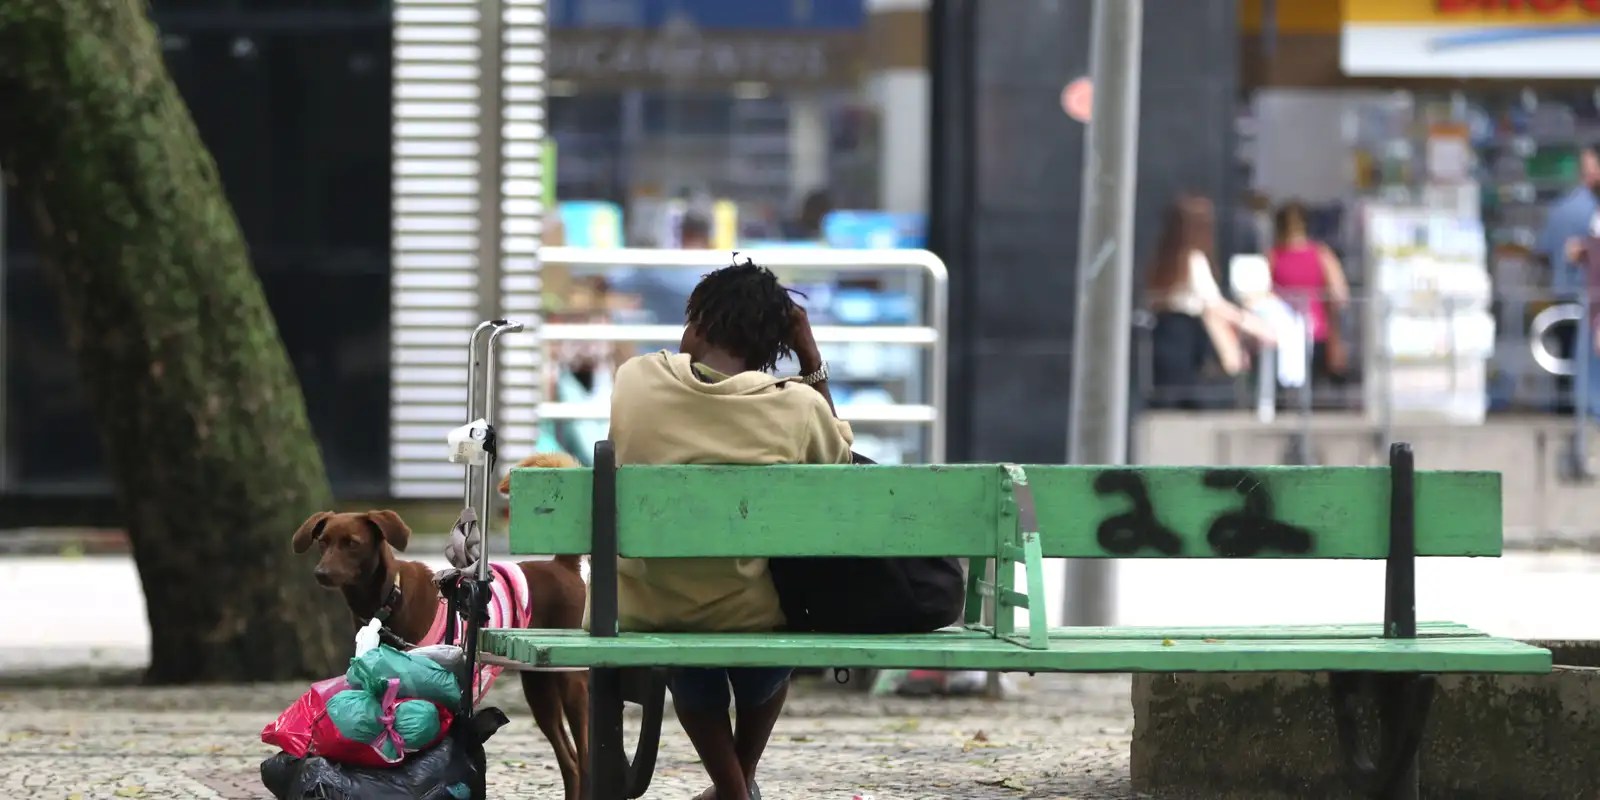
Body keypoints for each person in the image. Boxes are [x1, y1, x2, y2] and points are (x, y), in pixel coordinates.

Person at [605, 258, 852, 800]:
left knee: (688, 619)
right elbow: (842, 477)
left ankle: (731, 790)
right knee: (763, 627)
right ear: (774, 344)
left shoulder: (635, 379)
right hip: (746, 609)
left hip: (646, 603)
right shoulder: (798, 408)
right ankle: (736, 789)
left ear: (698, 322)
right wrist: (809, 356)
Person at [1145, 194, 1273, 409]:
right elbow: (1213, 303)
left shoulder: (1163, 261)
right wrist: (1251, 323)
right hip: (1185, 335)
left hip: (1165, 334)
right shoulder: (1193, 260)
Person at [1536, 142, 1600, 415]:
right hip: (1589, 300)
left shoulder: (1562, 208)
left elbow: (1542, 253)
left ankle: (1569, 411)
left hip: (1565, 296)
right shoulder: (1589, 209)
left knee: (1568, 363)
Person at [1269, 201, 1351, 385]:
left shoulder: (1273, 256)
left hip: (1281, 331)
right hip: (1317, 328)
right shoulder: (1321, 254)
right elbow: (1340, 294)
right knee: (1314, 388)